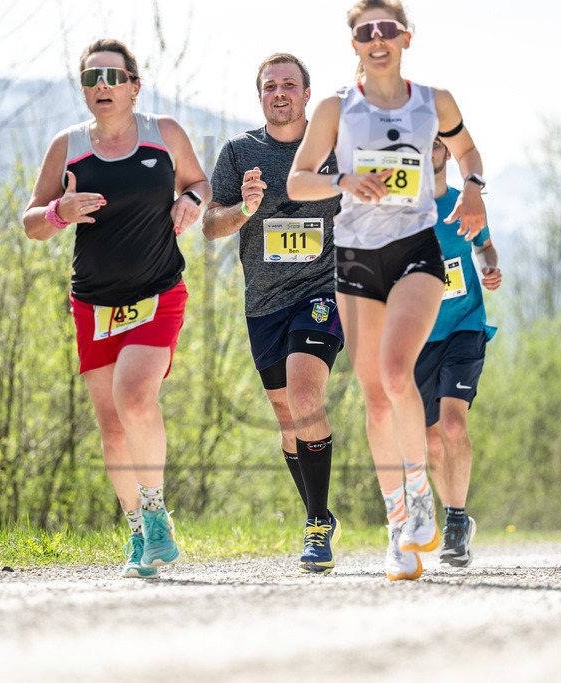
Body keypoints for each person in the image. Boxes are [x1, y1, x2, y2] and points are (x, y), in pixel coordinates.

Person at [287, 0, 488, 581]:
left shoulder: (435, 100)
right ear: (353, 44)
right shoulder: (334, 107)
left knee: (398, 373)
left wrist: (472, 186)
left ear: (406, 38)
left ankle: (421, 492)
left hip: (415, 251)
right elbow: (299, 181)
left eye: (386, 29)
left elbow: (468, 149)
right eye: (364, 31)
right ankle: (399, 523)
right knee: (376, 398)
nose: (377, 39)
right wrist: (342, 178)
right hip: (355, 256)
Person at [22, 39, 210, 579]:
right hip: (94, 302)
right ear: (83, 90)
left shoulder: (164, 133)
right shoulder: (68, 146)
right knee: (110, 426)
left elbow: (199, 181)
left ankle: (156, 515)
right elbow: (31, 221)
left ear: (134, 84)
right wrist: (60, 211)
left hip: (157, 292)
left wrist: (191, 201)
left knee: (134, 394)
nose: (101, 86)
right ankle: (137, 534)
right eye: (90, 79)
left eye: (111, 76)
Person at [203, 53, 345, 574]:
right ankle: (319, 513)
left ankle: (315, 528)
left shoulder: (333, 147)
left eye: (289, 85)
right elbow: (210, 225)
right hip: (264, 302)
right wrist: (243, 208)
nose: (279, 93)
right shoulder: (240, 152)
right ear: (259, 95)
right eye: (270, 86)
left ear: (308, 94)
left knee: (307, 395)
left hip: (324, 290)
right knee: (288, 419)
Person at [415, 137, 501, 568]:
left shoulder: (462, 205)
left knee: (452, 425)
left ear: (447, 154)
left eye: (436, 144)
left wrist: (488, 266)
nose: (428, 151)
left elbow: (484, 245)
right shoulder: (401, 212)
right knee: (431, 441)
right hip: (418, 336)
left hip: (465, 326)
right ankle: (456, 520)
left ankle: (454, 519)